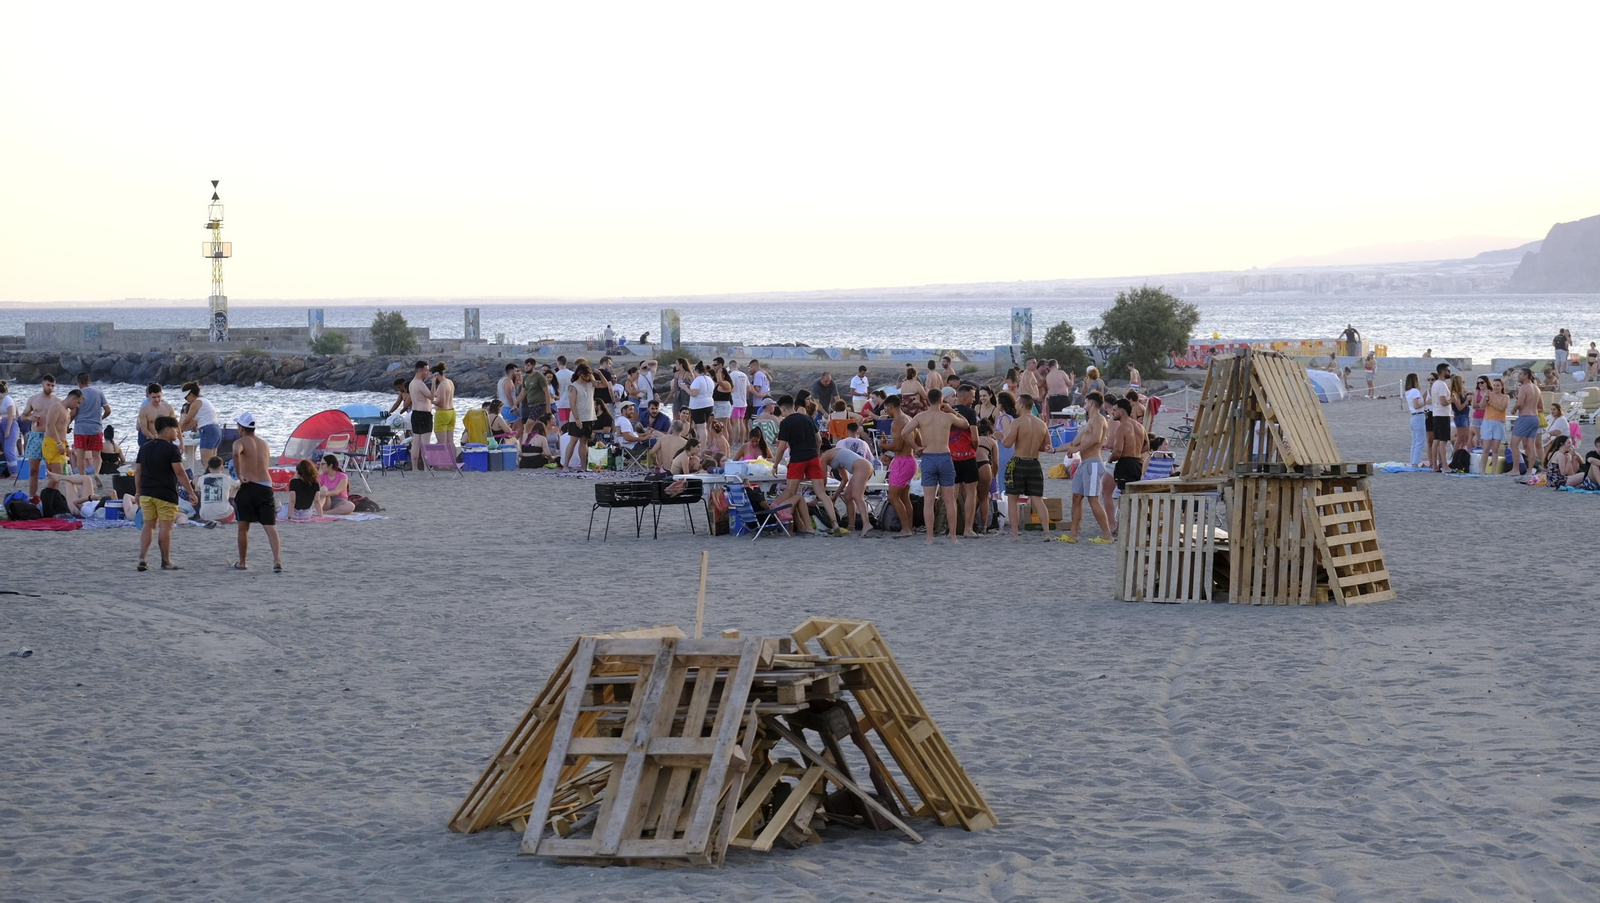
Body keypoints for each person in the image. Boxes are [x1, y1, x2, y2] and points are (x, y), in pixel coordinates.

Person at [903, 393, 972, 544]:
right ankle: (953, 536)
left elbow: (904, 432)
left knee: (928, 501)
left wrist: (916, 447)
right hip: (945, 457)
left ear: (927, 401)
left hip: (928, 457)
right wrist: (952, 410)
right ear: (941, 400)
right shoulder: (948, 417)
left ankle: (929, 537)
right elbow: (966, 424)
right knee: (949, 500)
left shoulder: (921, 417)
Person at [772, 394, 843, 536]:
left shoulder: (786, 423)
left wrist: (775, 465)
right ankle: (835, 523)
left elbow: (781, 447)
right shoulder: (808, 419)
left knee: (791, 491)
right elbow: (819, 439)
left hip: (798, 459)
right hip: (813, 458)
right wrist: (816, 452)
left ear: (783, 409)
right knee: (821, 493)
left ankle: (772, 509)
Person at [134, 415, 198, 572]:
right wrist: (191, 492)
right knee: (165, 527)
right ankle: (165, 561)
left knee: (148, 525)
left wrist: (137, 492)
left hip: (147, 492)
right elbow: (180, 473)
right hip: (165, 493)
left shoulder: (145, 447)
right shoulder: (171, 449)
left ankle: (143, 558)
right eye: (176, 429)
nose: (177, 433)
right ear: (167, 430)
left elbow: (138, 471)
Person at [229, 413, 283, 572]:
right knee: (270, 526)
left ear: (241, 428)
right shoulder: (264, 443)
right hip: (266, 486)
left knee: (243, 527)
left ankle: (242, 562)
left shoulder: (240, 441)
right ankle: (277, 560)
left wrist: (239, 474)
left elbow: (235, 453)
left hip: (249, 486)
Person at [1062, 392, 1113, 544]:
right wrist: (1053, 449)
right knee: (1076, 497)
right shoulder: (1090, 420)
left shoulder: (1098, 419)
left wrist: (1076, 450)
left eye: (1085, 402)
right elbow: (1074, 443)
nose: (1084, 405)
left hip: (1093, 463)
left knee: (1093, 500)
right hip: (1084, 464)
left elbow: (1096, 439)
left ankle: (1107, 535)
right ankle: (1073, 534)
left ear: (1091, 403)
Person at [1000, 392, 1051, 540]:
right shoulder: (1042, 423)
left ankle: (1015, 533)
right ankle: (1047, 532)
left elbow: (1007, 443)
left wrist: (1000, 436)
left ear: (1022, 405)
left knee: (1013, 498)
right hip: (1034, 463)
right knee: (1037, 499)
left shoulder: (1017, 422)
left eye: (1017, 403)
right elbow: (1046, 447)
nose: (1015, 406)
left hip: (1018, 462)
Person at [820, 424, 875, 537]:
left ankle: (866, 524)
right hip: (863, 467)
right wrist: (835, 496)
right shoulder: (834, 455)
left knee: (857, 496)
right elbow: (844, 479)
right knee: (848, 496)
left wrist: (819, 497)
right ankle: (851, 525)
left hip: (861, 467)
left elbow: (823, 480)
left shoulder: (824, 457)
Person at [948, 384, 982, 538]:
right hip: (968, 456)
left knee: (952, 496)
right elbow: (975, 437)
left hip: (951, 456)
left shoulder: (947, 411)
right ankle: (968, 529)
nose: (974, 400)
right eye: (973, 397)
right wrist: (974, 447)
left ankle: (952, 531)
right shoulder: (970, 412)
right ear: (966, 397)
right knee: (970, 493)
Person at [1108, 398, 1146, 533]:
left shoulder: (1121, 428)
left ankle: (1122, 528)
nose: (1112, 413)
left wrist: (1110, 459)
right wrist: (1135, 452)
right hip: (1137, 463)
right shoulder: (1140, 426)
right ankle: (1133, 527)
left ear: (1122, 411)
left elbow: (1118, 451)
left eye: (1114, 410)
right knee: (1133, 496)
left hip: (1126, 463)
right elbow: (1147, 444)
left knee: (1125, 498)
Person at [20, 375, 59, 501]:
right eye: (48, 385)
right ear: (43, 383)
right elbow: (23, 416)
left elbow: (64, 418)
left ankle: (52, 497)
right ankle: (32, 497)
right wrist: (30, 418)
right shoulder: (33, 399)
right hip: (35, 435)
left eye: (53, 385)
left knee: (52, 470)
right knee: (33, 470)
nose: (50, 388)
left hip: (49, 436)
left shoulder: (57, 401)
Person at [70, 373, 110, 484]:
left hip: (80, 428)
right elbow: (108, 410)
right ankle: (96, 473)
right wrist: (101, 419)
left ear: (79, 383)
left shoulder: (78, 394)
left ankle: (83, 478)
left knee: (81, 457)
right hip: (95, 428)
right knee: (97, 456)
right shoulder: (98, 392)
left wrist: (67, 424)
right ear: (89, 381)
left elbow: (73, 413)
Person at [564, 360, 598, 470]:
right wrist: (577, 419)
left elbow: (605, 384)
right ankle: (565, 465)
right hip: (576, 418)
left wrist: (599, 374)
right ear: (580, 373)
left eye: (589, 374)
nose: (588, 376)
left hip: (589, 417)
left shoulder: (590, 384)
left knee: (584, 441)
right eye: (586, 374)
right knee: (573, 441)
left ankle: (583, 466)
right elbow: (572, 404)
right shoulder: (573, 386)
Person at [179, 382, 219, 470]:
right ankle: (217, 479)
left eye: (186, 397)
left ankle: (211, 481)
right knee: (213, 462)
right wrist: (182, 430)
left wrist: (178, 431)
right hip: (216, 430)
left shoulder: (196, 403)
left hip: (207, 430)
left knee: (205, 461)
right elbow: (194, 422)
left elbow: (187, 420)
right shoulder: (204, 401)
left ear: (192, 394)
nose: (186, 400)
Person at [43, 389, 81, 483]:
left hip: (61, 443)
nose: (78, 406)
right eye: (78, 402)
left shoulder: (67, 412)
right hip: (52, 443)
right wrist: (58, 443)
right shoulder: (57, 406)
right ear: (73, 398)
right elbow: (50, 425)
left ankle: (51, 496)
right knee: (58, 476)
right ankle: (51, 496)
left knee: (59, 476)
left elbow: (62, 431)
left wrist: (67, 446)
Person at [1511, 367, 1542, 476]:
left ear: (1526, 376)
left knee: (1514, 444)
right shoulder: (1536, 388)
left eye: (1520, 374)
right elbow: (1540, 406)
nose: (1519, 376)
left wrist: (1514, 409)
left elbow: (1520, 403)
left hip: (1525, 417)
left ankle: (1515, 469)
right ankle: (1529, 471)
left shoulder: (1523, 387)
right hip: (1535, 418)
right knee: (1531, 445)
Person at [406, 360, 434, 471]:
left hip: (415, 413)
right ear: (420, 371)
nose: (428, 373)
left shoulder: (412, 383)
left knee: (416, 441)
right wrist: (433, 383)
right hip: (424, 414)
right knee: (425, 442)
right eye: (426, 371)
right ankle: (427, 467)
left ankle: (414, 467)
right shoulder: (419, 383)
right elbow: (431, 397)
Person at [196, 455, 238, 523]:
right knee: (235, 488)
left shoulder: (202, 478)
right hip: (224, 516)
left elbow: (197, 487)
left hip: (205, 516)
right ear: (222, 468)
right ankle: (230, 502)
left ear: (209, 469)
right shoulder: (227, 478)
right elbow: (239, 485)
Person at [1481, 377, 1509, 473]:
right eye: (1494, 385)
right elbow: (1481, 405)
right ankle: (1482, 470)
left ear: (1501, 386)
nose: (1496, 387)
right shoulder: (1489, 394)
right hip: (1488, 421)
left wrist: (1490, 402)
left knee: (1496, 448)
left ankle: (1494, 471)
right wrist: (1485, 397)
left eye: (1498, 385)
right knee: (1486, 448)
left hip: (1499, 422)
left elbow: (1502, 408)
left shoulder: (1505, 397)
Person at [518, 358, 549, 445]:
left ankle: (525, 445)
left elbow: (546, 393)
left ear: (533, 366)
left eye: (528, 365)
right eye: (525, 365)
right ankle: (532, 444)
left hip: (539, 405)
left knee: (528, 426)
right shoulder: (526, 378)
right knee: (531, 427)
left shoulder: (539, 377)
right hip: (530, 406)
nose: (526, 367)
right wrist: (515, 404)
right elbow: (522, 393)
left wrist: (548, 408)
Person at [431, 362, 458, 460]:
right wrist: (433, 383)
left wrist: (431, 402)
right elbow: (434, 394)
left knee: (442, 441)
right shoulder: (450, 382)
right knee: (450, 440)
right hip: (452, 412)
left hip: (443, 413)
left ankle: (443, 463)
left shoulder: (442, 385)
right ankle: (452, 462)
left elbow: (440, 403)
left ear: (436, 375)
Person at [136, 383, 176, 450]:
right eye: (154, 397)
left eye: (159, 397)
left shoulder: (169, 407)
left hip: (167, 441)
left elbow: (175, 426)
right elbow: (144, 429)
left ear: (161, 394)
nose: (157, 399)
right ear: (149, 395)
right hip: (151, 440)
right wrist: (153, 438)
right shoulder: (144, 409)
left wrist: (181, 442)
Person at [1403, 373, 1427, 467]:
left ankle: (1413, 461)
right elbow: (1416, 405)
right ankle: (1415, 463)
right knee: (1420, 441)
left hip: (1413, 417)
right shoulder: (1415, 391)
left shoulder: (1408, 392)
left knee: (1415, 441)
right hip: (1418, 416)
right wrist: (1426, 402)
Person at [0, 380, 18, 477]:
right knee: (5, 449)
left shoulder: (8, 399)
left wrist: (7, 430)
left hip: (10, 424)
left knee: (8, 450)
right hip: (3, 423)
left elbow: (12, 415)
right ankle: (10, 471)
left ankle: (15, 472)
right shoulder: (1, 401)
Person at [1469, 375, 1489, 449]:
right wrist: (1482, 406)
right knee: (1478, 438)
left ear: (1486, 382)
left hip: (1487, 417)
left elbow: (1489, 407)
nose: (1480, 384)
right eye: (1478, 383)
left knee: (1486, 437)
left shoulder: (1490, 392)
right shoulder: (1476, 392)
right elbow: (1473, 406)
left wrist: (1479, 406)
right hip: (1477, 417)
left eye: (1482, 382)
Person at [553, 356, 574, 425]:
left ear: (558, 363)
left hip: (559, 403)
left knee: (561, 424)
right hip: (570, 402)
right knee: (570, 423)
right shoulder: (572, 374)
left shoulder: (555, 375)